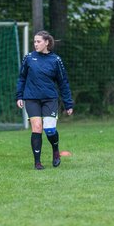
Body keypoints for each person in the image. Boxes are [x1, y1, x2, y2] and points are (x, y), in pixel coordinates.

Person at [16, 30, 74, 170]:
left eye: (38, 41)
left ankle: (55, 151)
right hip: (31, 98)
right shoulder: (29, 58)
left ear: (47, 42)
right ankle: (37, 162)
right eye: (34, 41)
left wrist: (68, 103)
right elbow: (22, 78)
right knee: (37, 128)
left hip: (49, 99)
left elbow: (63, 82)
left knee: (49, 130)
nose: (35, 44)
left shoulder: (56, 60)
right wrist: (19, 96)